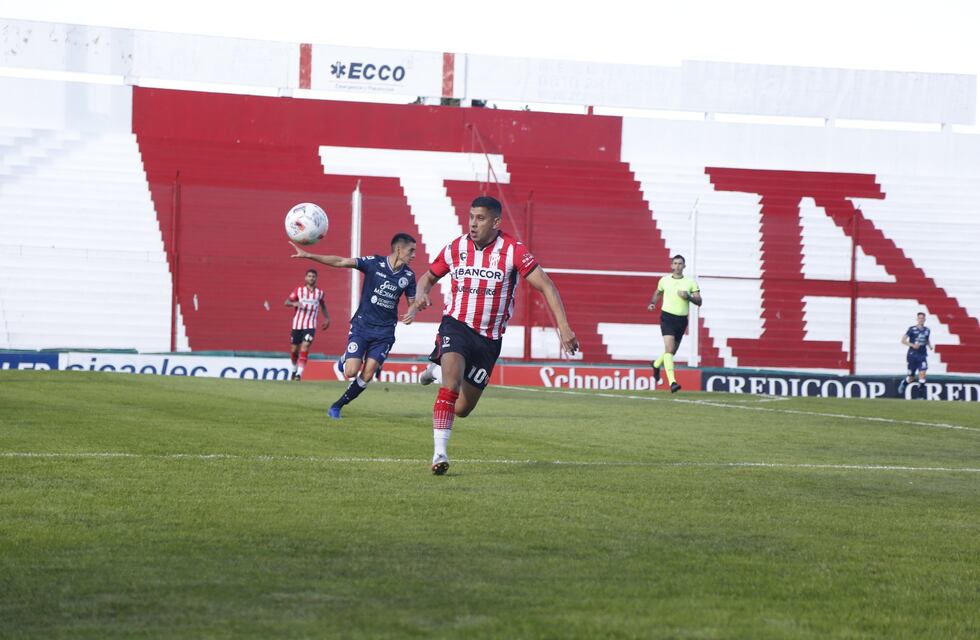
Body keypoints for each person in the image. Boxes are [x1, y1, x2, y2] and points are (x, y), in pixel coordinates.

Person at [402, 195, 578, 476]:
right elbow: (428, 277)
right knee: (451, 384)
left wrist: (564, 327)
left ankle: (432, 372)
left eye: (480, 218)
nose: (473, 223)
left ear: (496, 222)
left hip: (488, 340)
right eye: (471, 217)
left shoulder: (513, 251)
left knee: (462, 408)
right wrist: (421, 292)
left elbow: (546, 285)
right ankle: (439, 454)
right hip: (456, 325)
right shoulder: (456, 247)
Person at [290, 233, 418, 418]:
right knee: (350, 372)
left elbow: (412, 302)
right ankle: (344, 359)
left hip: (385, 333)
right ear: (399, 249)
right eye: (411, 250)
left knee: (368, 374)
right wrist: (309, 255)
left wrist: (412, 311)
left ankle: (337, 405)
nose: (414, 255)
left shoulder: (408, 276)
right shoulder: (374, 263)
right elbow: (341, 262)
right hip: (362, 326)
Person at [647, 255, 702, 393]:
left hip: (681, 320)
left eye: (680, 264)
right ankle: (672, 383)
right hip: (667, 318)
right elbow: (658, 292)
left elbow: (699, 301)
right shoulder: (664, 280)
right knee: (670, 348)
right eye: (675, 263)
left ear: (684, 266)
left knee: (671, 352)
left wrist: (688, 297)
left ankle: (656, 364)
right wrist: (653, 303)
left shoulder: (690, 282)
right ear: (671, 265)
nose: (677, 266)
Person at [285, 268, 330, 381]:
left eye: (313, 276)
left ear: (316, 278)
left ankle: (299, 374)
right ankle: (294, 369)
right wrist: (295, 303)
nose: (311, 278)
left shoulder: (320, 292)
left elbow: (323, 306)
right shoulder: (299, 290)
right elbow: (286, 302)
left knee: (305, 347)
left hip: (310, 325)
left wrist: (327, 318)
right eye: (309, 276)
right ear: (305, 278)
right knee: (294, 350)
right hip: (297, 324)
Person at [898, 312, 932, 399]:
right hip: (912, 356)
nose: (921, 319)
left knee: (922, 373)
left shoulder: (927, 330)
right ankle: (904, 383)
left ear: (925, 319)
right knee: (911, 377)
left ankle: (920, 396)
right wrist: (913, 345)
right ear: (917, 319)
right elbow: (903, 340)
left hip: (922, 355)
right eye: (919, 318)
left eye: (922, 318)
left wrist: (930, 345)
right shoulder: (912, 329)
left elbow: (926, 339)